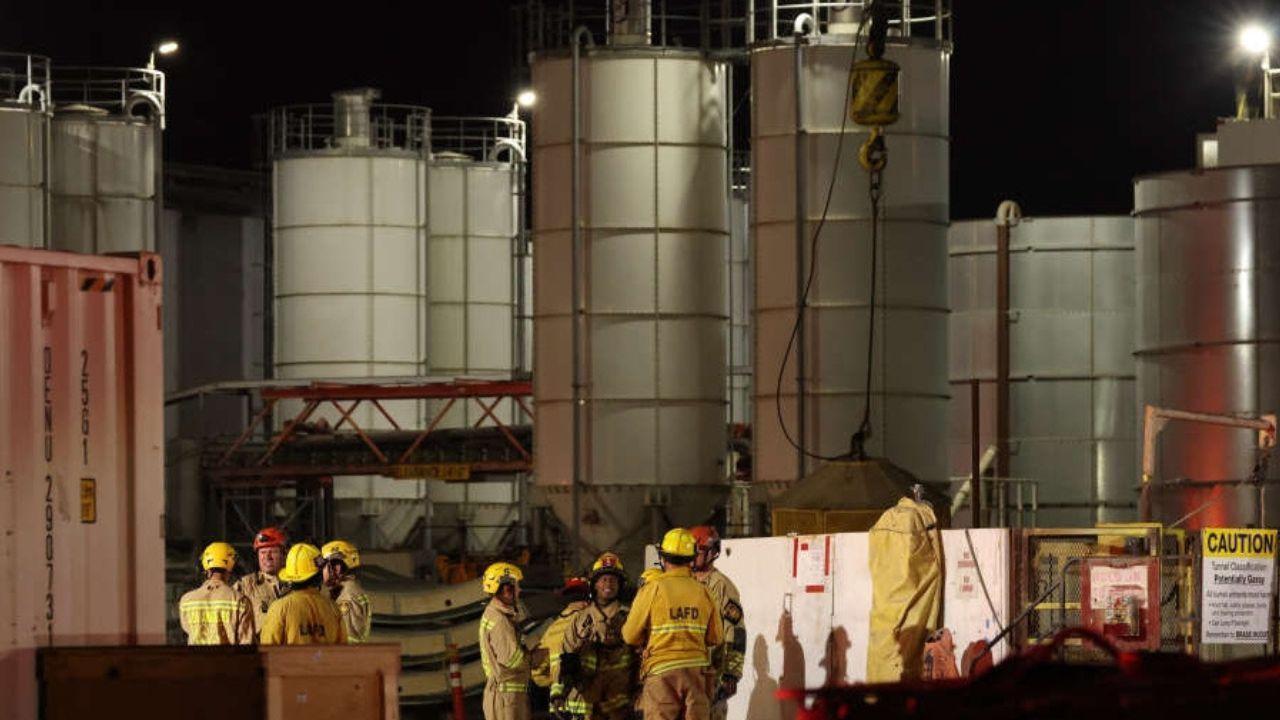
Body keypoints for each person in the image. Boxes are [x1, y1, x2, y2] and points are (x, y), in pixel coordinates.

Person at [622, 528, 723, 720]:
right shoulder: (704, 592)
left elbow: (629, 635)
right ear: (691, 559)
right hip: (697, 674)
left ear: (663, 558)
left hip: (662, 674)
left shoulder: (653, 589)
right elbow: (716, 637)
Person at [555, 553, 636, 720]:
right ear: (594, 584)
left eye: (613, 580)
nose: (608, 584)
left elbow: (640, 659)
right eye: (603, 579)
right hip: (584, 706)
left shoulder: (630, 618)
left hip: (617, 706)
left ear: (621, 585)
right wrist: (557, 694)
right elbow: (563, 656)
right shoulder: (579, 618)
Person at [690, 526, 745, 720]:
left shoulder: (721, 585)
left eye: (697, 551)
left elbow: (736, 630)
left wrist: (732, 673)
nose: (692, 556)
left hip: (714, 670)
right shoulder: (685, 581)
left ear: (713, 553)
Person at [479, 562, 546, 720]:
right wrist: (537, 656)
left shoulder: (497, 615)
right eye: (516, 586)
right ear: (505, 589)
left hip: (508, 698)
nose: (519, 590)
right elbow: (513, 660)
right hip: (507, 700)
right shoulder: (500, 620)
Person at [259, 543, 347, 645]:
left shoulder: (279, 608)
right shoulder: (333, 609)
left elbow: (268, 651)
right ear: (318, 575)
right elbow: (343, 651)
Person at [178, 541, 255, 645]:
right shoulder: (240, 600)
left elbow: (188, 630)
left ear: (205, 566)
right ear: (231, 566)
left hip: (195, 660)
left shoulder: (186, 601)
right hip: (226, 660)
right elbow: (246, 644)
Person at [533, 576, 591, 696]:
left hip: (559, 700)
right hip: (588, 699)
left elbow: (537, 671)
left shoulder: (552, 628)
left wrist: (555, 680)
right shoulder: (592, 621)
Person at [235, 526, 288, 636]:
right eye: (263, 552)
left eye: (273, 551)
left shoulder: (296, 583)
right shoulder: (246, 585)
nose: (267, 557)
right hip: (261, 649)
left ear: (284, 555)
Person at [320, 539, 371, 643]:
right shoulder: (350, 590)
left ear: (336, 569)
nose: (321, 571)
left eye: (323, 566)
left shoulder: (347, 597)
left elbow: (348, 639)